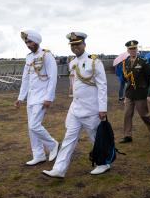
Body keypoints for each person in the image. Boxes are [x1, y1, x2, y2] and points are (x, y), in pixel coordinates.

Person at [43, 32, 109, 178]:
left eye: (78, 44)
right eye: (73, 45)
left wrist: (103, 108)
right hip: (76, 108)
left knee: (95, 138)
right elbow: (75, 86)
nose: (75, 47)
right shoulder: (72, 63)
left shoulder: (94, 62)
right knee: (68, 139)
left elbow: (102, 86)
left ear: (84, 44)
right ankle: (59, 169)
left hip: (91, 109)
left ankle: (103, 163)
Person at [14, 30, 59, 166]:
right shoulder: (28, 57)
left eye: (30, 41)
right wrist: (21, 98)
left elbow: (52, 77)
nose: (28, 45)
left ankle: (53, 145)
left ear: (37, 41)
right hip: (31, 97)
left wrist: (49, 97)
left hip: (42, 96)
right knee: (31, 127)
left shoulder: (47, 55)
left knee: (34, 125)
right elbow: (25, 79)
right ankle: (38, 154)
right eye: (26, 42)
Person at [120, 40, 150, 143]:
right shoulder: (126, 62)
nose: (132, 51)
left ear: (137, 49)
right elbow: (125, 78)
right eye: (130, 49)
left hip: (140, 93)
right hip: (129, 93)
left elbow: (149, 78)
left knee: (143, 114)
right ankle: (127, 135)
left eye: (134, 49)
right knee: (127, 114)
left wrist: (149, 92)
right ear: (128, 50)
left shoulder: (143, 62)